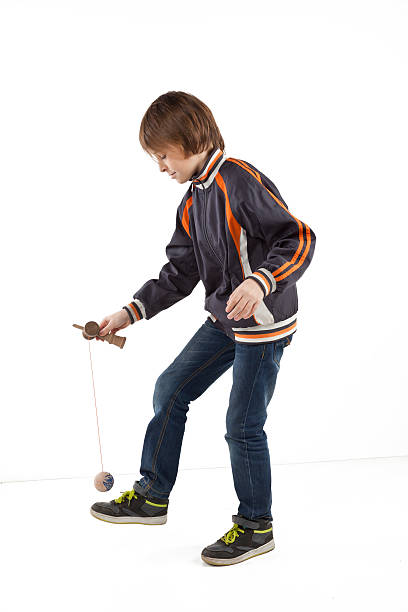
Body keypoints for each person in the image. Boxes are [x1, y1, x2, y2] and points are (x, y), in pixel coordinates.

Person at [90, 90, 316, 566]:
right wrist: (128, 313)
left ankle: (257, 526)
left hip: (262, 324)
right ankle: (152, 496)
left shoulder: (240, 180)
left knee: (242, 425)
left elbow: (297, 237)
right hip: (223, 320)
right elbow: (178, 273)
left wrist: (261, 281)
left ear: (188, 139)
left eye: (162, 155)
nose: (161, 167)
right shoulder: (193, 201)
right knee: (170, 389)